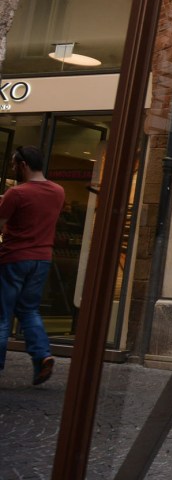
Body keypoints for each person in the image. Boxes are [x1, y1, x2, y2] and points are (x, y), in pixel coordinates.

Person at [0, 145, 66, 385]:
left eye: (14, 165)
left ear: (23, 165)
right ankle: (42, 356)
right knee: (29, 310)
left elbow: (1, 222)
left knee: (2, 314)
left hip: (14, 257)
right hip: (42, 259)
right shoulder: (58, 191)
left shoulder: (16, 193)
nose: (13, 169)